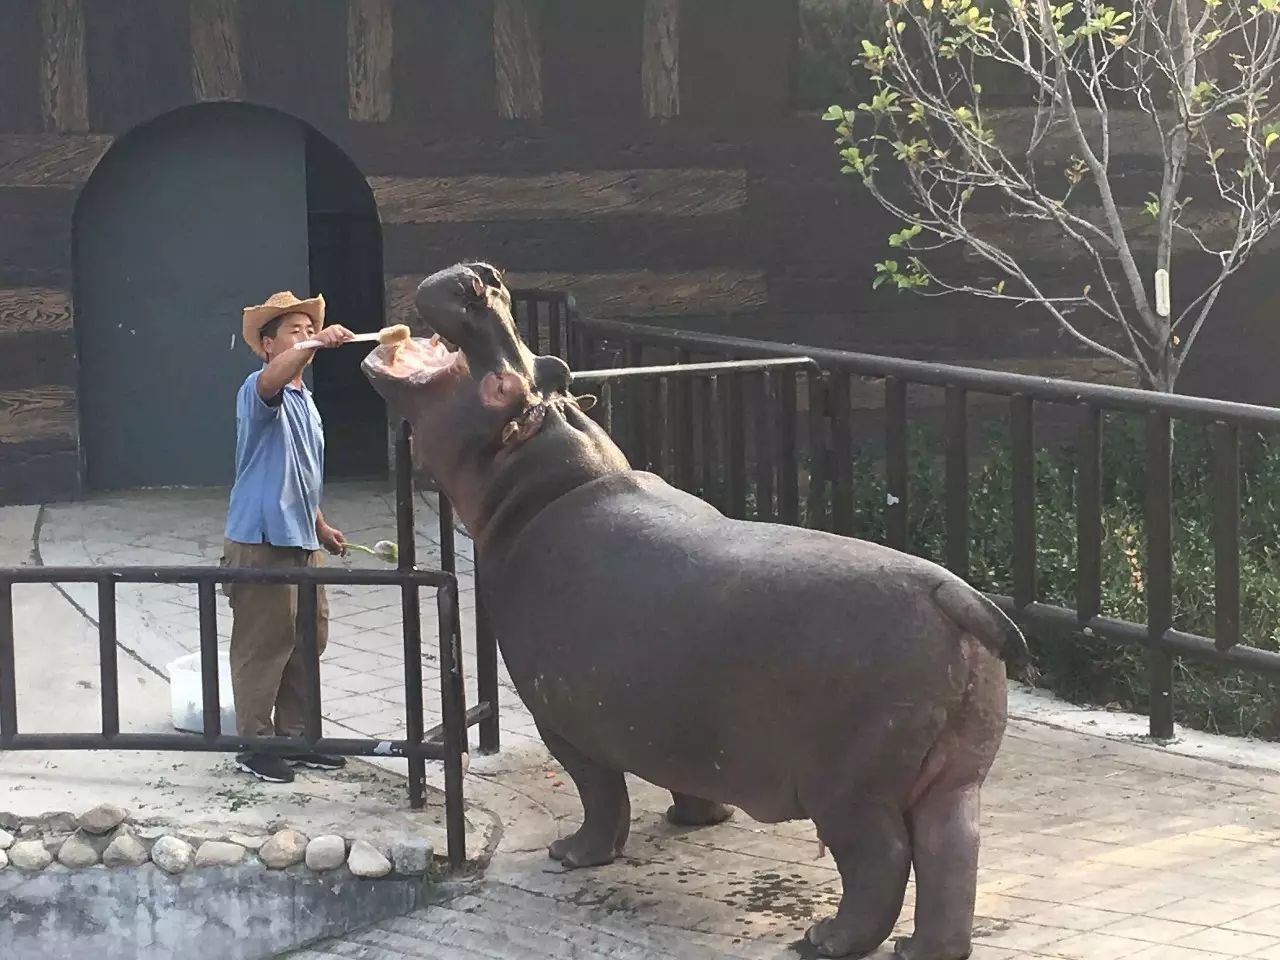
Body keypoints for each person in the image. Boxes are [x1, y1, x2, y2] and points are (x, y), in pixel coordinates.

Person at [222, 291, 354, 783]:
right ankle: (255, 744)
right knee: (264, 643)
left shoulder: (306, 400)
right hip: (261, 539)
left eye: (307, 328)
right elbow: (273, 380)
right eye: (292, 332)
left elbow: (301, 470)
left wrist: (320, 523)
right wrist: (317, 340)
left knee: (307, 639)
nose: (304, 337)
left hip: (302, 537)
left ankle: (299, 736)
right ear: (267, 346)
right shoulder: (259, 388)